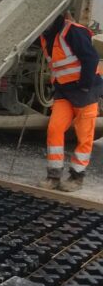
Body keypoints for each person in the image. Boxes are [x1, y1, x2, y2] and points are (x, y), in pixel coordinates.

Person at [39, 12, 103, 192]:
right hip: (64, 92)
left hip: (85, 91)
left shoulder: (72, 31)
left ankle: (76, 177)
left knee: (84, 136)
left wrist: (84, 86)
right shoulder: (45, 37)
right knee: (55, 128)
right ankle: (53, 175)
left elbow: (90, 59)